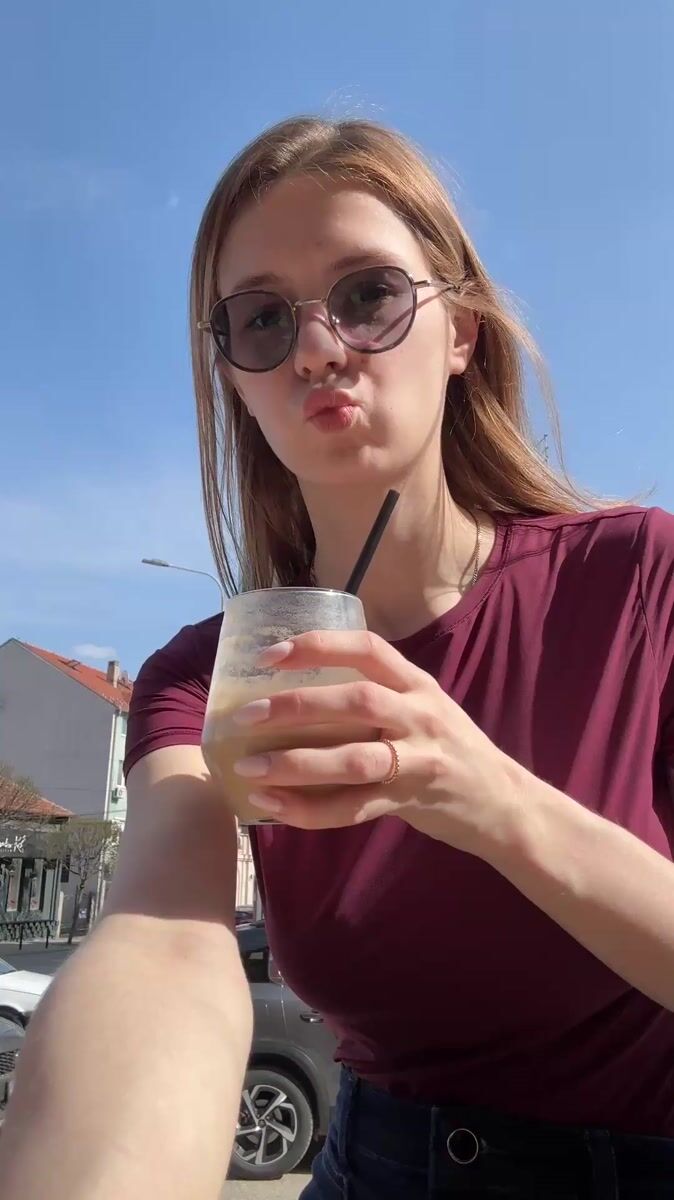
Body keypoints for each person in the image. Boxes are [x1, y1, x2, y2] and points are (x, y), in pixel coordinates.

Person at [1, 116, 674, 1200]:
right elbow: (163, 941)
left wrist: (483, 794)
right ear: (235, 377)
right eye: (263, 319)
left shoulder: (639, 578)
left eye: (367, 295)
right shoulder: (210, 674)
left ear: (460, 332)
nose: (316, 349)